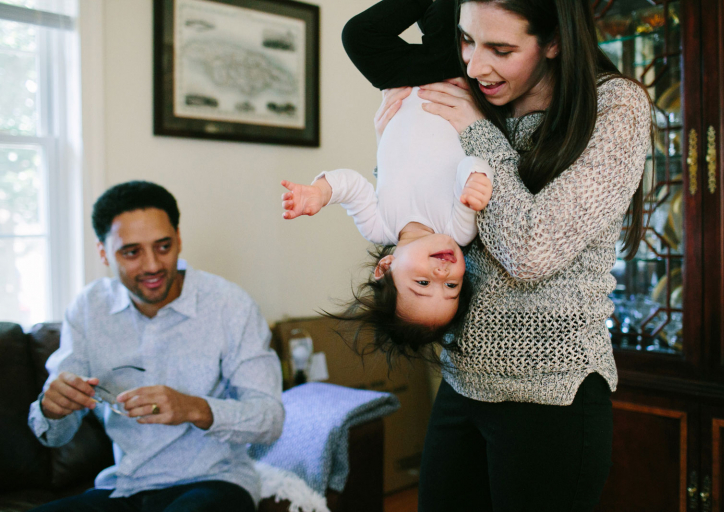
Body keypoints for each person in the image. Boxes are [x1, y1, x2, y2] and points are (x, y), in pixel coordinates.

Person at [376, 0, 652, 510]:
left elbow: (530, 250)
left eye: (501, 49)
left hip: (553, 395)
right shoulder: (479, 98)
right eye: (466, 40)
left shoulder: (614, 106)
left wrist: (475, 131)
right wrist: (393, 144)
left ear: (554, 41)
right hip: (461, 381)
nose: (475, 65)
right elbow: (424, 228)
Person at [27, 181, 284, 512]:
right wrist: (51, 408)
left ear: (179, 238)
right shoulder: (89, 308)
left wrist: (192, 407)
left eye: (163, 247)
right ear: (103, 252)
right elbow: (55, 436)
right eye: (132, 252)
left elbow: (270, 419)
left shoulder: (230, 305)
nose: (152, 266)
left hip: (215, 482)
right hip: (125, 487)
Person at [280, 0, 493, 362]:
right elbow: (470, 166)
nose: (442, 272)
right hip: (453, 80)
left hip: (404, 85)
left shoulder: (378, 226)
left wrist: (320, 192)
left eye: (423, 283)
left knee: (357, 35)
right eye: (452, 285)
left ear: (386, 267)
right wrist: (476, 178)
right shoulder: (458, 230)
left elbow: (352, 187)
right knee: (445, 21)